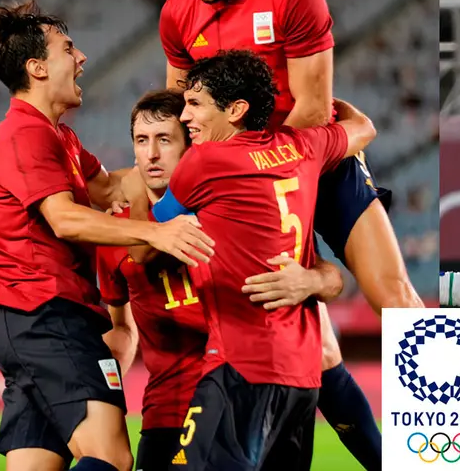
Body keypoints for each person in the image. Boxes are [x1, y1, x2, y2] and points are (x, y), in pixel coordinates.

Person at [157, 0, 403, 465]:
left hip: (315, 160)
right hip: (245, 182)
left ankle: (450, 455)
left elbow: (314, 108)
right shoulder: (178, 12)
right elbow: (178, 109)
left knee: (396, 298)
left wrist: (264, 172)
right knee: (317, 350)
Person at [0, 0, 214, 471]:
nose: (81, 57)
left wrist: (202, 158)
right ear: (38, 68)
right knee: (112, 458)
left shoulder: (59, 137)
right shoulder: (26, 133)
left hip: (27, 324)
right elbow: (64, 219)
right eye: (68, 49)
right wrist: (157, 233)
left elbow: (110, 189)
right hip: (50, 315)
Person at [99, 89, 351, 470]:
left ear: (191, 146)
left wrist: (311, 282)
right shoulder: (112, 234)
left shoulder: (234, 209)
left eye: (164, 140)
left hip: (243, 390)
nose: (151, 154)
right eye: (141, 140)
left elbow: (331, 278)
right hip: (167, 410)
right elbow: (121, 327)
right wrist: (104, 392)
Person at [149, 50, 376, 470]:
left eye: (195, 104)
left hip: (242, 365)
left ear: (236, 110)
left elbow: (160, 222)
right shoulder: (303, 147)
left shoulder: (204, 162)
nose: (184, 116)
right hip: (302, 380)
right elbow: (363, 127)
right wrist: (327, 103)